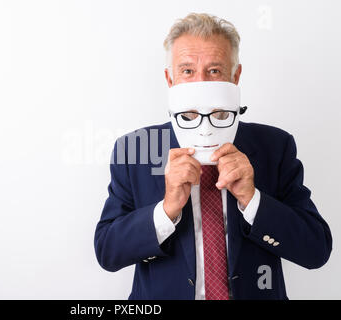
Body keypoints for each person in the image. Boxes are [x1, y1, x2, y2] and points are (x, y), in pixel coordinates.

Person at [94, 12, 332, 300]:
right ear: (170, 79)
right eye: (187, 71)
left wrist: (252, 200)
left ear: (236, 77)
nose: (200, 83)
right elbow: (107, 252)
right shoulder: (137, 148)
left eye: (215, 71)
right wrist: (166, 210)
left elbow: (316, 250)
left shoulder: (274, 147)